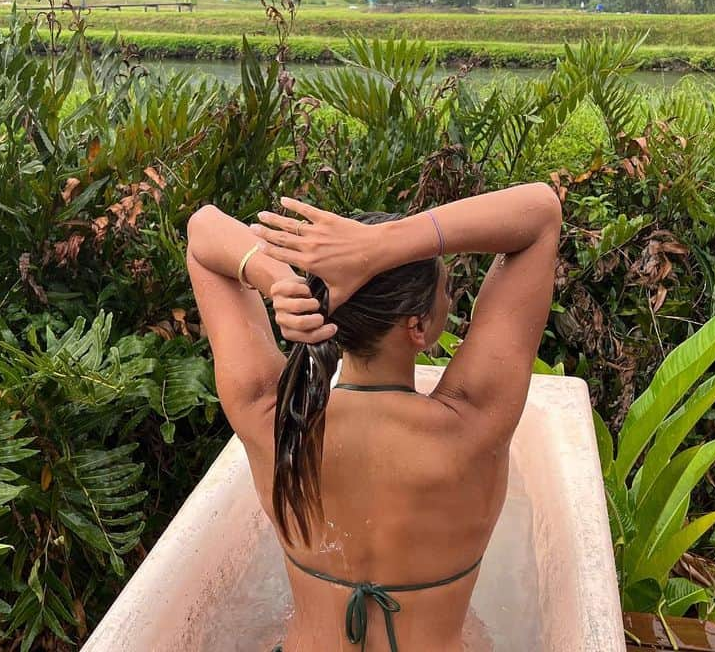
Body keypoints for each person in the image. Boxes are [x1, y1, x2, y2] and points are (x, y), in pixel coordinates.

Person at [185, 184, 561, 651]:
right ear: (418, 325)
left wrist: (278, 280)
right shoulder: (472, 422)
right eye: (446, 291)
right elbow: (541, 214)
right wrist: (384, 247)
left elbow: (203, 231)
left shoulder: (271, 414)